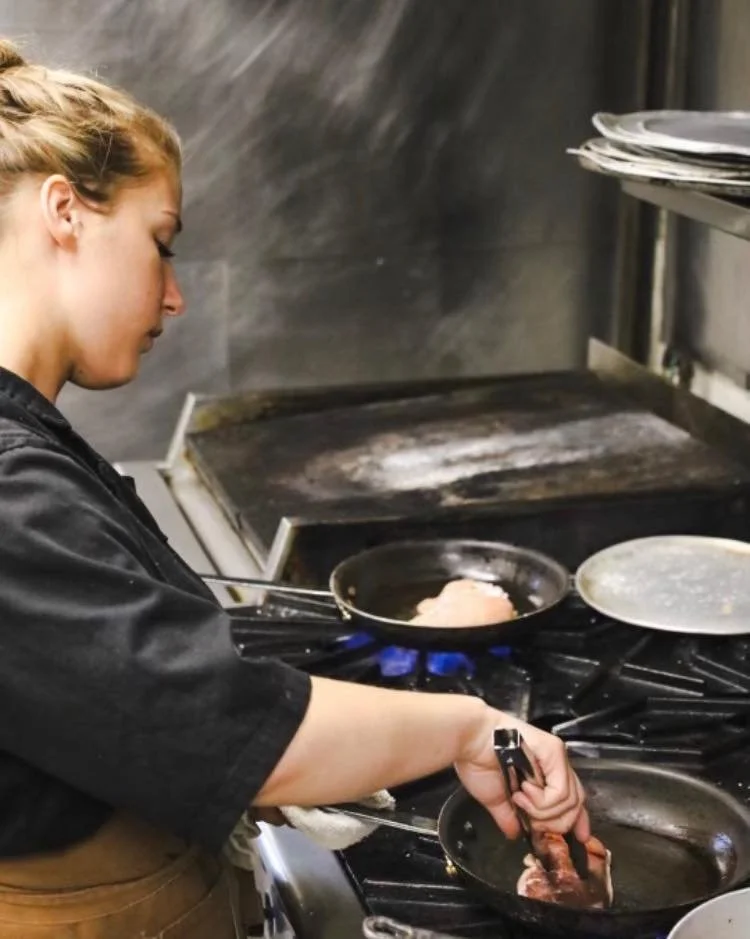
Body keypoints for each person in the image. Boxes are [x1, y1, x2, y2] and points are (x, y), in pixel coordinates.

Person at [0, 38, 588, 938]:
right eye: (162, 242)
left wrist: (395, 674)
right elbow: (220, 727)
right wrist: (472, 729)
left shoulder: (33, 441)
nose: (175, 297)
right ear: (65, 212)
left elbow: (142, 675)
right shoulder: (9, 483)